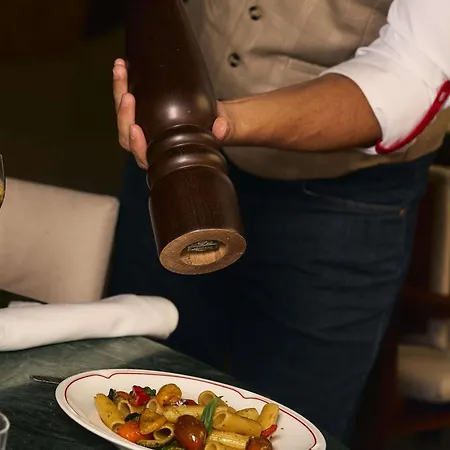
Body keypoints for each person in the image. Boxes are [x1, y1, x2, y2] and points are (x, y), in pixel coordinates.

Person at [109, 0, 450, 441]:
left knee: (285, 429)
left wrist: (213, 125)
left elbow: (413, 70)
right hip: (169, 164)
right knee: (134, 398)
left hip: (342, 199)